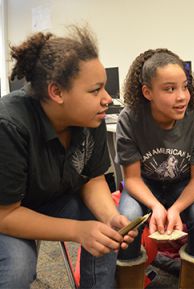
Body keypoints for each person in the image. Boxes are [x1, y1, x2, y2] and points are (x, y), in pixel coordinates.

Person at [0, 26, 137, 289]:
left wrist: (111, 217)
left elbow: (92, 178)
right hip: (9, 210)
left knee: (106, 231)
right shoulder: (9, 124)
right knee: (17, 268)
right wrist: (78, 231)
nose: (107, 99)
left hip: (50, 198)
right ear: (57, 92)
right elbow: (6, 214)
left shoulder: (90, 118)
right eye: (95, 90)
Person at [115, 48, 194, 288]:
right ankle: (131, 281)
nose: (182, 96)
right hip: (143, 184)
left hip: (184, 184)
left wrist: (176, 208)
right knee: (127, 222)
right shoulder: (129, 119)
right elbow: (131, 179)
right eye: (170, 89)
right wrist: (155, 206)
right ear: (147, 92)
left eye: (185, 86)